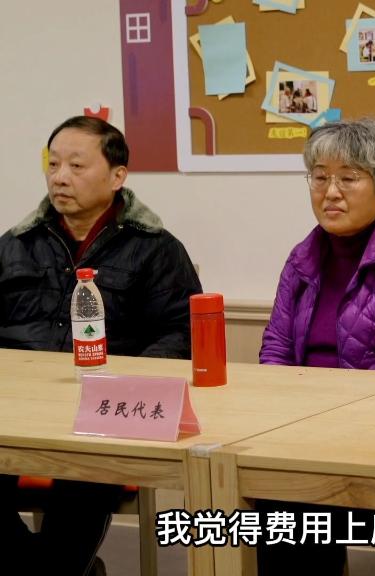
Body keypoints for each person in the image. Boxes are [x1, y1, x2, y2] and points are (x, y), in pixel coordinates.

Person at [0, 116, 202, 573]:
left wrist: (127, 383)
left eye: (76, 165)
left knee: (84, 487)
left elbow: (180, 332)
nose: (59, 177)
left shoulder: (155, 248)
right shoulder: (14, 246)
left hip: (102, 419)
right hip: (16, 410)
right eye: (53, 164)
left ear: (117, 176)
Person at [258, 117, 375, 573]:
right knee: (252, 487)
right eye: (319, 177)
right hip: (298, 437)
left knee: (290, 506)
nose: (331, 192)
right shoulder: (302, 258)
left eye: (348, 178)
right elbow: (274, 353)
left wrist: (314, 429)